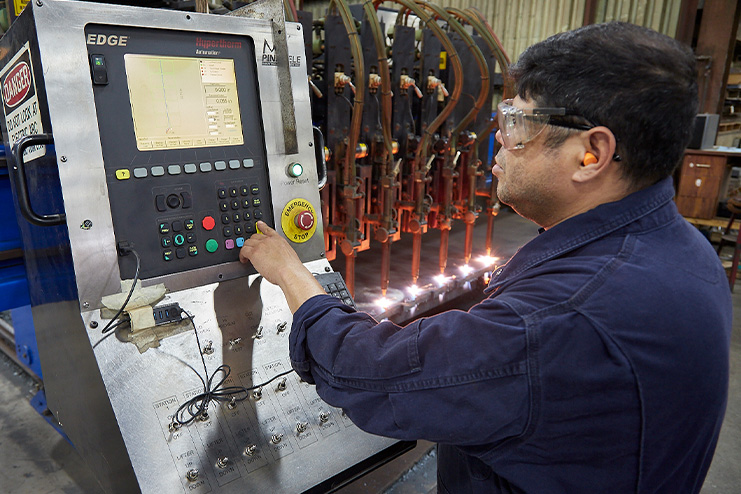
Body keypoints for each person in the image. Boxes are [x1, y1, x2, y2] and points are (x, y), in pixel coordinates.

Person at [239, 21, 732, 494]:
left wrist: (291, 273)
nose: (500, 140)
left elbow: (368, 371)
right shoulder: (681, 247)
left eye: (518, 122)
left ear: (593, 153)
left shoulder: (558, 317)